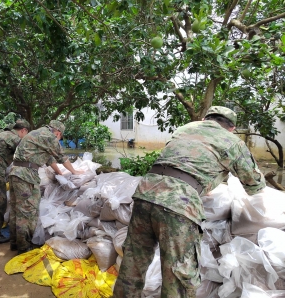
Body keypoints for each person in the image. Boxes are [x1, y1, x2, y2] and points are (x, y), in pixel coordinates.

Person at [113, 106, 266, 298]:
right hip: (178, 203)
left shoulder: (184, 129)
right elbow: (254, 184)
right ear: (231, 128)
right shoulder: (232, 142)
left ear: (204, 119)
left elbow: (180, 161)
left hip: (144, 193)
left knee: (133, 264)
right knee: (179, 275)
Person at [9, 120, 84, 254]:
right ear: (58, 133)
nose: (58, 139)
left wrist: (60, 173)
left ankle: (15, 242)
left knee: (16, 210)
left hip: (16, 172)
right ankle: (24, 246)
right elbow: (62, 157)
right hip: (26, 176)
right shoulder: (50, 137)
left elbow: (49, 160)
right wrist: (74, 172)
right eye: (60, 137)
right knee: (27, 211)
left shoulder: (37, 133)